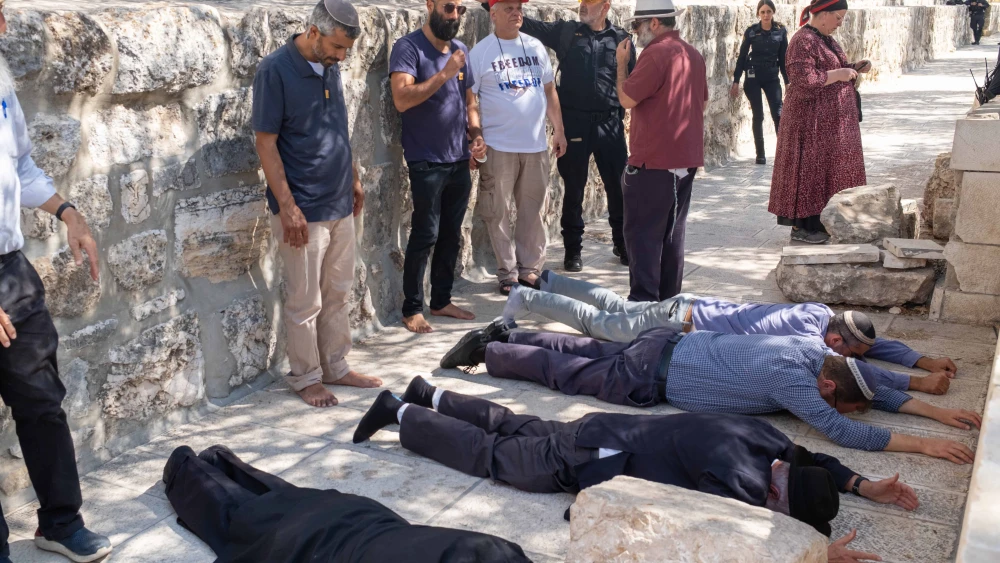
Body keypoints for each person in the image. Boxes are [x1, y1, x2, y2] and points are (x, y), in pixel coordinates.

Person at [354, 379, 916, 562]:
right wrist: (814, 551)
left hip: (602, 428)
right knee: (494, 456)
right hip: (592, 458)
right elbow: (670, 518)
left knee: (517, 424)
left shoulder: (768, 442)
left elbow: (814, 460)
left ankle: (432, 392)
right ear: (777, 498)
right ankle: (399, 412)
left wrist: (862, 485)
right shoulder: (735, 488)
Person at [439, 322, 980, 462]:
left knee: (587, 348)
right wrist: (927, 445)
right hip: (655, 377)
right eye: (839, 399)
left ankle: (506, 332)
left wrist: (937, 412)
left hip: (667, 343)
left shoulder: (808, 352)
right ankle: (490, 355)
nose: (834, 409)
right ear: (826, 386)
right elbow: (843, 430)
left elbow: (872, 389)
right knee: (569, 374)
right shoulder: (799, 383)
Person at [0, 5, 113, 561]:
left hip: (9, 270)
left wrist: (69, 213)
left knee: (42, 400)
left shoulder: (1, 84)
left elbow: (19, 168)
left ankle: (60, 524)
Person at [501, 271, 957, 395]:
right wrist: (915, 384)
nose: (850, 355)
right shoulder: (806, 339)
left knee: (618, 307)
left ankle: (549, 280)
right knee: (602, 325)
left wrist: (922, 359)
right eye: (847, 350)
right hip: (679, 324)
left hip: (690, 307)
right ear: (835, 343)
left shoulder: (823, 315)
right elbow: (856, 368)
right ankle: (527, 299)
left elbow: (871, 346)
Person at [252, 0, 383, 408]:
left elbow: (338, 126)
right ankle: (306, 376)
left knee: (338, 292)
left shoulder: (330, 66)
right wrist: (287, 206)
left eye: (346, 50)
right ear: (313, 32)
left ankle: (336, 367)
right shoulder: (275, 70)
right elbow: (266, 143)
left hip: (340, 201)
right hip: (303, 209)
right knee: (305, 300)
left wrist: (355, 177)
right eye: (337, 47)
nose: (342, 56)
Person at [162, 444, 531, 563]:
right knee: (238, 519)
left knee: (287, 498)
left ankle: (220, 458)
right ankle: (183, 465)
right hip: (312, 545)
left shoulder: (505, 553)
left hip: (363, 517)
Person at [486, 0, 634, 271]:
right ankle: (573, 251)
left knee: (618, 187)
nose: (583, 6)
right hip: (575, 123)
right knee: (574, 189)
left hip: (610, 124)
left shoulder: (622, 39)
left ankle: (622, 243)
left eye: (589, 3)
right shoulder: (567, 32)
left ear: (605, 6)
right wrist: (490, 4)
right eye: (581, 2)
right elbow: (528, 23)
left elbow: (632, 82)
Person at [391, 0, 484, 334]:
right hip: (426, 159)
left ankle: (441, 300)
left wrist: (475, 135)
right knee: (425, 233)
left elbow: (469, 102)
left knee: (451, 234)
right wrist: (445, 72)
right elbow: (401, 99)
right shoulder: (407, 47)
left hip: (458, 157)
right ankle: (412, 307)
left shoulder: (460, 48)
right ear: (430, 4)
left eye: (460, 9)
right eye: (448, 7)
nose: (455, 15)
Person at [470, 0, 567, 295]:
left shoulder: (536, 47)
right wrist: (474, 136)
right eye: (509, 8)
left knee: (533, 211)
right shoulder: (481, 52)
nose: (517, 13)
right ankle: (507, 273)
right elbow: (470, 101)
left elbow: (549, 91)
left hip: (535, 145)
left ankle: (530, 271)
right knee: (497, 212)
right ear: (494, 13)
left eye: (519, 8)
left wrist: (559, 131)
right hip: (498, 146)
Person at [615, 0, 707, 302]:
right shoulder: (692, 54)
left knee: (642, 238)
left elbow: (626, 99)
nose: (635, 32)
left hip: (653, 162)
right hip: (684, 161)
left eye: (636, 25)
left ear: (653, 23)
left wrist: (620, 65)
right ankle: (669, 305)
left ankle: (642, 310)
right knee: (672, 238)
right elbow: (702, 103)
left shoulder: (655, 54)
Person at [769, 0, 872, 245]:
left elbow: (831, 68)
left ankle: (826, 221)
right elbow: (803, 79)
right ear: (823, 14)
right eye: (838, 17)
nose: (840, 23)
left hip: (828, 124)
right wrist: (838, 75)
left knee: (825, 171)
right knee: (809, 172)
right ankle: (804, 227)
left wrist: (853, 68)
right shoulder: (802, 40)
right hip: (809, 123)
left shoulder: (824, 39)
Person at [730, 0, 788, 165]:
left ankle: (783, 153)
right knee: (758, 115)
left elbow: (784, 59)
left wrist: (787, 81)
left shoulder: (780, 32)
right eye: (762, 12)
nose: (766, 15)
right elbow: (742, 57)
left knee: (778, 114)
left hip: (772, 77)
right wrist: (736, 81)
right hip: (753, 77)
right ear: (758, 14)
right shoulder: (751, 32)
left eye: (768, 11)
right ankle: (760, 154)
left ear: (773, 12)